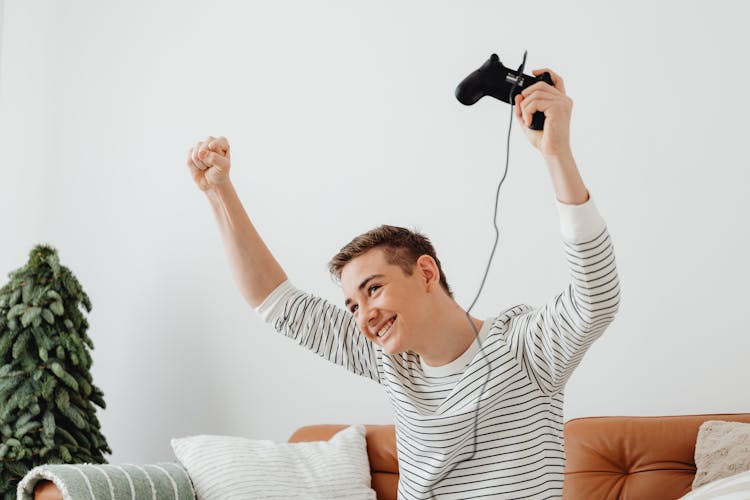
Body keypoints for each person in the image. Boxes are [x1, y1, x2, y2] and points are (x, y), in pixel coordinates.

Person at [185, 68, 620, 499]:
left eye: (373, 288)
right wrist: (219, 193)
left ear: (426, 273)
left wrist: (556, 153)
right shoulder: (390, 361)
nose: (363, 315)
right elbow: (275, 302)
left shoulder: (526, 348)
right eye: (352, 305)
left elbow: (596, 296)